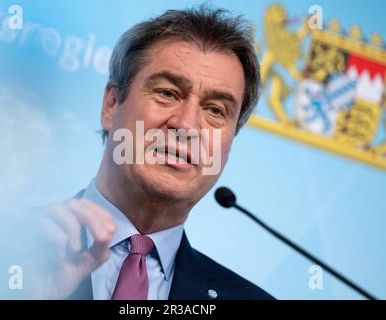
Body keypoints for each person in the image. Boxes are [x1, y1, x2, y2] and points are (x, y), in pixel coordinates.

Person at [30, 6, 274, 300]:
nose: (186, 125)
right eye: (167, 93)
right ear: (112, 104)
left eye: (214, 110)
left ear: (230, 143)